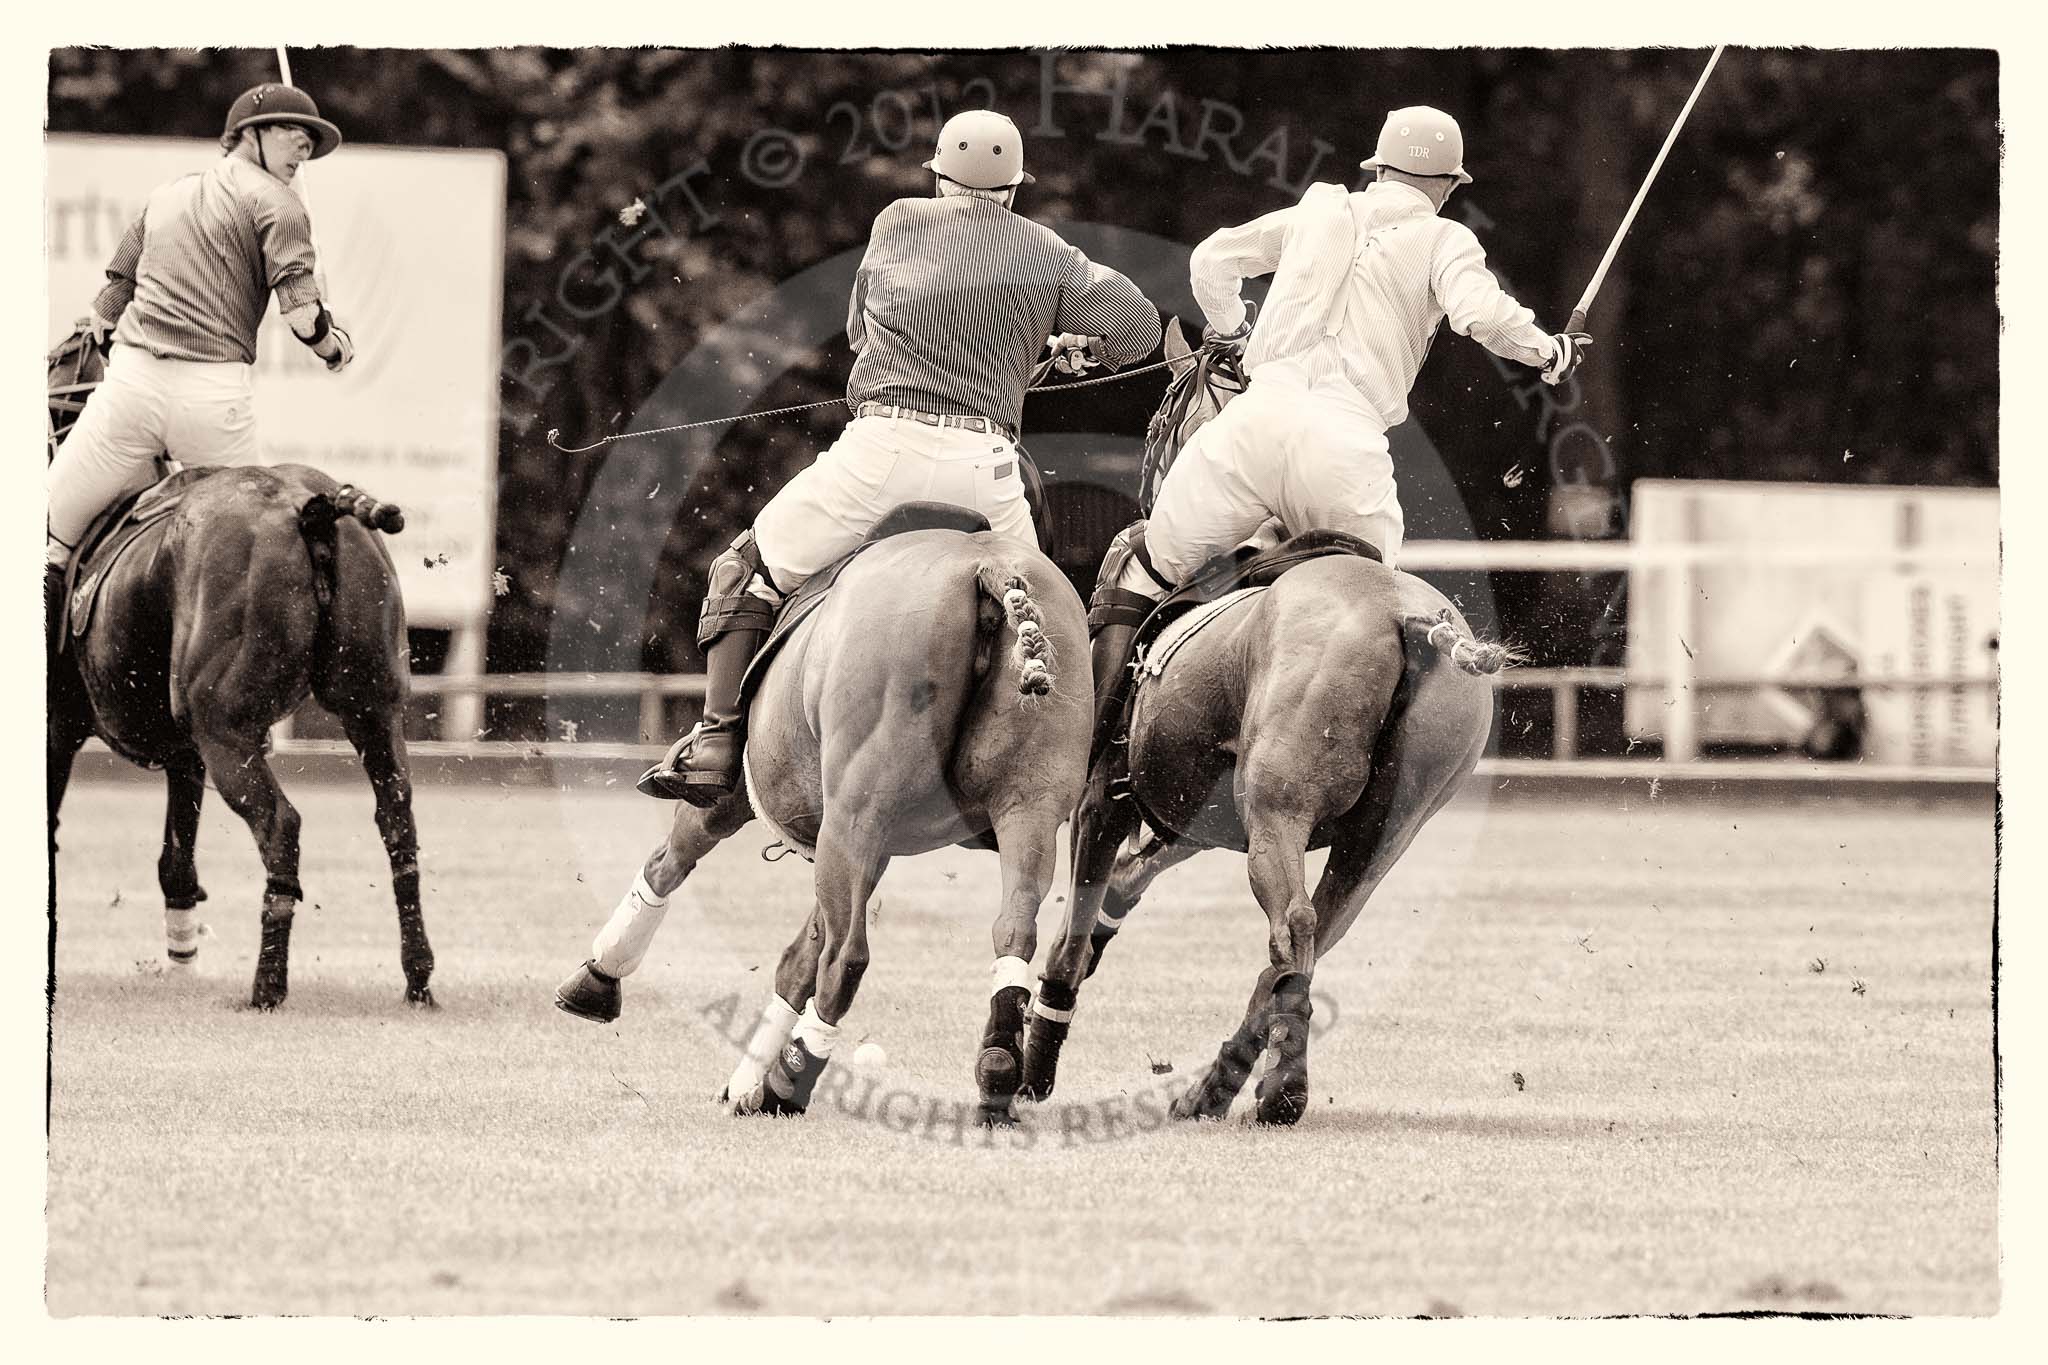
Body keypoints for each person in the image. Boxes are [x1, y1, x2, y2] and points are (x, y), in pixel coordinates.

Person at [642, 108, 1162, 805]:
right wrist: (1073, 348)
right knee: (1048, 623)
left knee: (745, 569)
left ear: (941, 177)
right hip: (987, 470)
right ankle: (1062, 773)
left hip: (880, 454)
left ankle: (714, 739)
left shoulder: (896, 222)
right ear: (1013, 189)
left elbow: (864, 332)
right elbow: (1138, 326)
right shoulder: (1051, 252)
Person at [1088, 105, 1591, 734]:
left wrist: (1234, 329)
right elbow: (1479, 315)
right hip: (1343, 447)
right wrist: (1549, 351)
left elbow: (1211, 261)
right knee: (1377, 612)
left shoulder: (1320, 209)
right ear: (1447, 185)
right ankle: (1374, 783)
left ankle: (1095, 746)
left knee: (1145, 568)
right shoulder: (1444, 239)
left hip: (1251, 425)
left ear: (1377, 169)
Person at [45, 84, 356, 656]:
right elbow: (303, 318)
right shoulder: (283, 207)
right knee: (263, 546)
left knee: (49, 539)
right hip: (212, 402)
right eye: (294, 134)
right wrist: (334, 344)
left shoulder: (167, 194)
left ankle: (37, 683)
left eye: (310, 141)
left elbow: (114, 291)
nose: (303, 150)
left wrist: (99, 320)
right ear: (252, 135)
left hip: (129, 397)